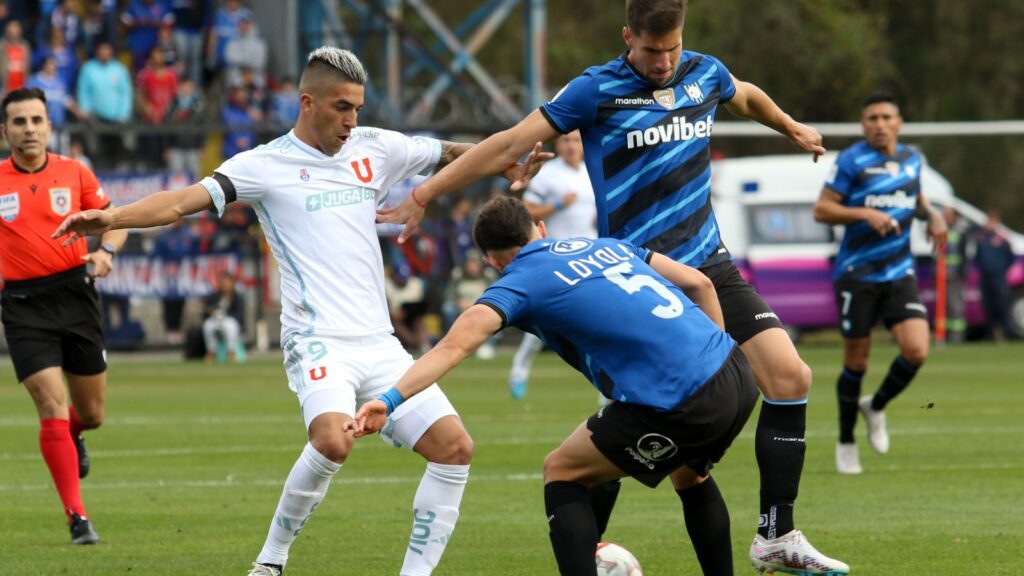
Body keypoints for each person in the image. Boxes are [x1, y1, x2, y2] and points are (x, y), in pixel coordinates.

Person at [377, 1, 848, 573]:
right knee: (648, 445)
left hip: (708, 265)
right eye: (651, 51)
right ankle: (587, 550)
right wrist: (424, 195)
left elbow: (744, 94)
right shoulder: (595, 90)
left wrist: (790, 125)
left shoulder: (703, 71)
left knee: (791, 376)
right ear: (628, 38)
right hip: (640, 275)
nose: (664, 61)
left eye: (672, 47)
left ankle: (775, 533)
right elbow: (507, 144)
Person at [54, 46, 544, 576]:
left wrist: (501, 160)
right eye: (341, 107)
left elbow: (446, 151)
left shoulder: (374, 146)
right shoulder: (264, 165)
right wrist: (111, 218)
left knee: (455, 449)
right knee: (332, 440)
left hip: (379, 343)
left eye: (357, 107)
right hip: (317, 340)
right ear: (307, 103)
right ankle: (270, 562)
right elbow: (178, 202)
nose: (352, 120)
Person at [350, 196, 760, 576]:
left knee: (562, 470)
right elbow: (701, 284)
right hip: (735, 371)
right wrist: (713, 364)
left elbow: (453, 347)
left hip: (682, 399)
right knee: (688, 476)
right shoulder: (609, 246)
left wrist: (388, 400)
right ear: (540, 229)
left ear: (492, 261)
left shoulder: (519, 283)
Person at [0, 87, 128, 544]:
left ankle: (76, 434)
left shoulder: (74, 172)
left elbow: (116, 218)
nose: (29, 129)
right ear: (5, 130)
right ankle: (78, 518)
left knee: (90, 414)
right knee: (51, 405)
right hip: (22, 306)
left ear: (49, 127)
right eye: (19, 122)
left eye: (36, 120)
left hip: (76, 295)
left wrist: (106, 252)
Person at [812, 91, 947, 475]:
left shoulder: (911, 159)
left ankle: (876, 405)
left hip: (898, 272)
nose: (880, 124)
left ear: (899, 123)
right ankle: (845, 441)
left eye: (887, 117)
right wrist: (864, 214)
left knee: (917, 351)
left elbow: (914, 200)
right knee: (856, 360)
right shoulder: (852, 160)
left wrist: (933, 215)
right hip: (857, 275)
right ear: (863, 125)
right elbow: (821, 209)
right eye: (872, 118)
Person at [507, 129, 597, 399]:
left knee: (597, 319)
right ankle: (520, 366)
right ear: (557, 144)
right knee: (544, 319)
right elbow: (527, 209)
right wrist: (557, 205)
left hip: (588, 255)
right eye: (566, 140)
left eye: (577, 140)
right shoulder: (548, 174)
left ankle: (608, 389)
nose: (571, 146)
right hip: (555, 253)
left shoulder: (591, 170)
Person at [975, 209, 1018, 342]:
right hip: (985, 277)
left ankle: (1006, 334)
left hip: (999, 277)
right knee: (988, 307)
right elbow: (978, 257)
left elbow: (1011, 258)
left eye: (992, 221)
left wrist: (1002, 269)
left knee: (1002, 306)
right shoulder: (981, 238)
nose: (990, 224)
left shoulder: (1002, 239)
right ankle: (991, 334)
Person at [202, 271, 244, 363]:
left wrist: (224, 315)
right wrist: (212, 312)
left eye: (227, 283)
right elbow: (207, 310)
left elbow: (238, 315)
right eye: (223, 282)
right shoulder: (214, 296)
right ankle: (211, 352)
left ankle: (231, 352)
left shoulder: (237, 297)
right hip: (215, 320)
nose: (225, 285)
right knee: (208, 325)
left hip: (229, 320)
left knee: (229, 326)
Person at [942, 206, 969, 343]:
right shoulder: (941, 229)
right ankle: (944, 336)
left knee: (955, 307)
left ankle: (957, 337)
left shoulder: (960, 232)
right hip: (941, 276)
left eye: (947, 214)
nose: (945, 216)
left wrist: (961, 273)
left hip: (954, 276)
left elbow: (964, 255)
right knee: (943, 308)